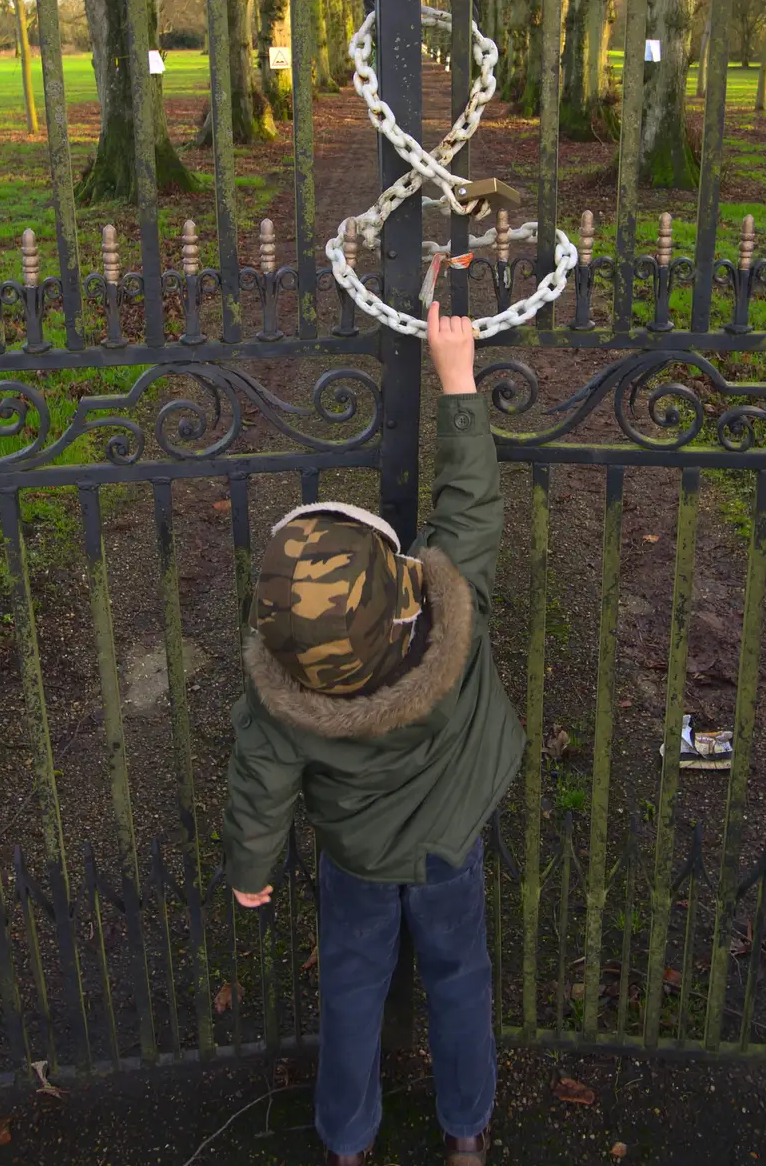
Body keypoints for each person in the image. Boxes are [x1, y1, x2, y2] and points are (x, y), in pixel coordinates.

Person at [221, 300, 525, 1165]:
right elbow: (470, 502)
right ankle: (467, 1129)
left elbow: (259, 782)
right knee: (461, 981)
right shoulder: (451, 620)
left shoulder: (282, 694)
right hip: (446, 847)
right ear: (401, 587)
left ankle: (347, 1141)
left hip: (355, 858)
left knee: (350, 996)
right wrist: (457, 379)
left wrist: (251, 871)